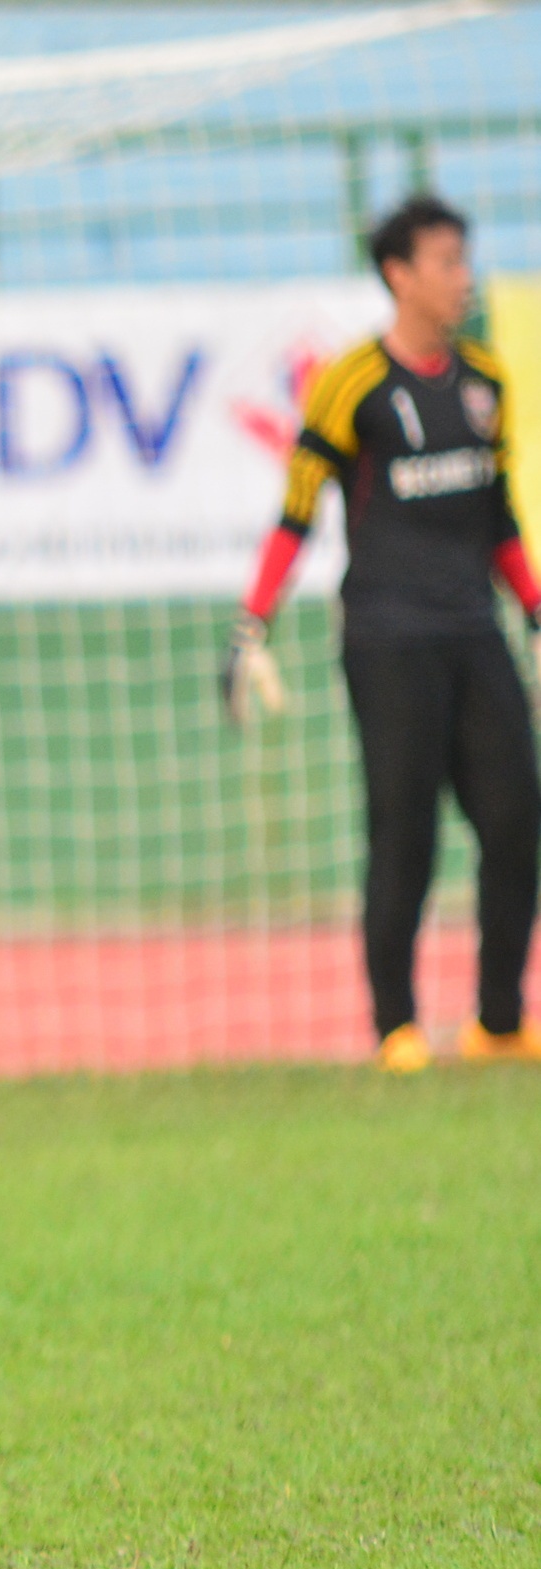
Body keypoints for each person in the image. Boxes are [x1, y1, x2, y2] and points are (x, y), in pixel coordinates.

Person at [228, 191, 541, 1072]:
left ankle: (498, 1021)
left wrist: (531, 607)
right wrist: (253, 621)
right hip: (386, 636)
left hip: (473, 630)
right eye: (446, 262)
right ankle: (395, 1026)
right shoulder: (349, 382)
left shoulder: (484, 379)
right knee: (404, 831)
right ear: (399, 275)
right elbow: (295, 510)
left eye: (464, 260)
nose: (462, 277)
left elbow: (498, 516)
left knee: (516, 820)